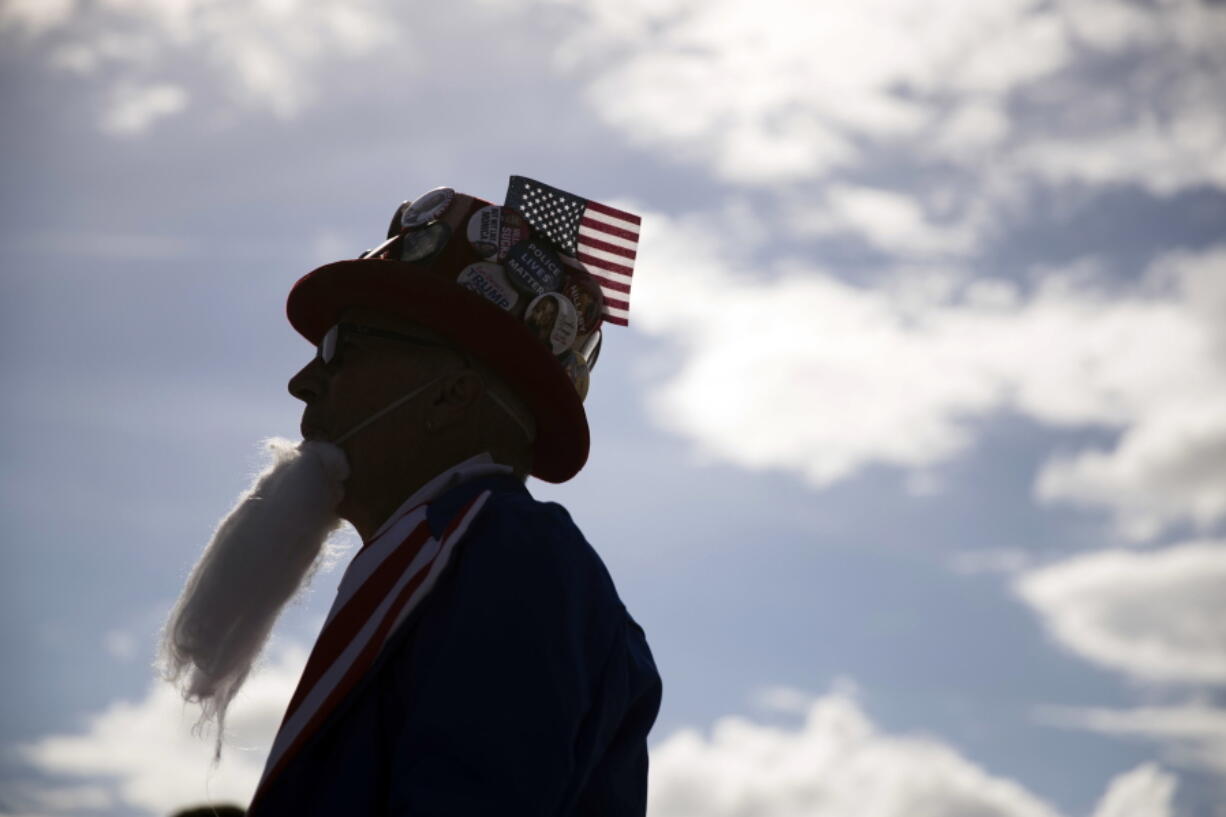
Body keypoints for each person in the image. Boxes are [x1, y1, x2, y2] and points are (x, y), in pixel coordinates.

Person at [159, 181, 661, 816]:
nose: (303, 381)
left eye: (343, 348)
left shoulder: (509, 556)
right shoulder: (463, 551)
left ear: (452, 395)